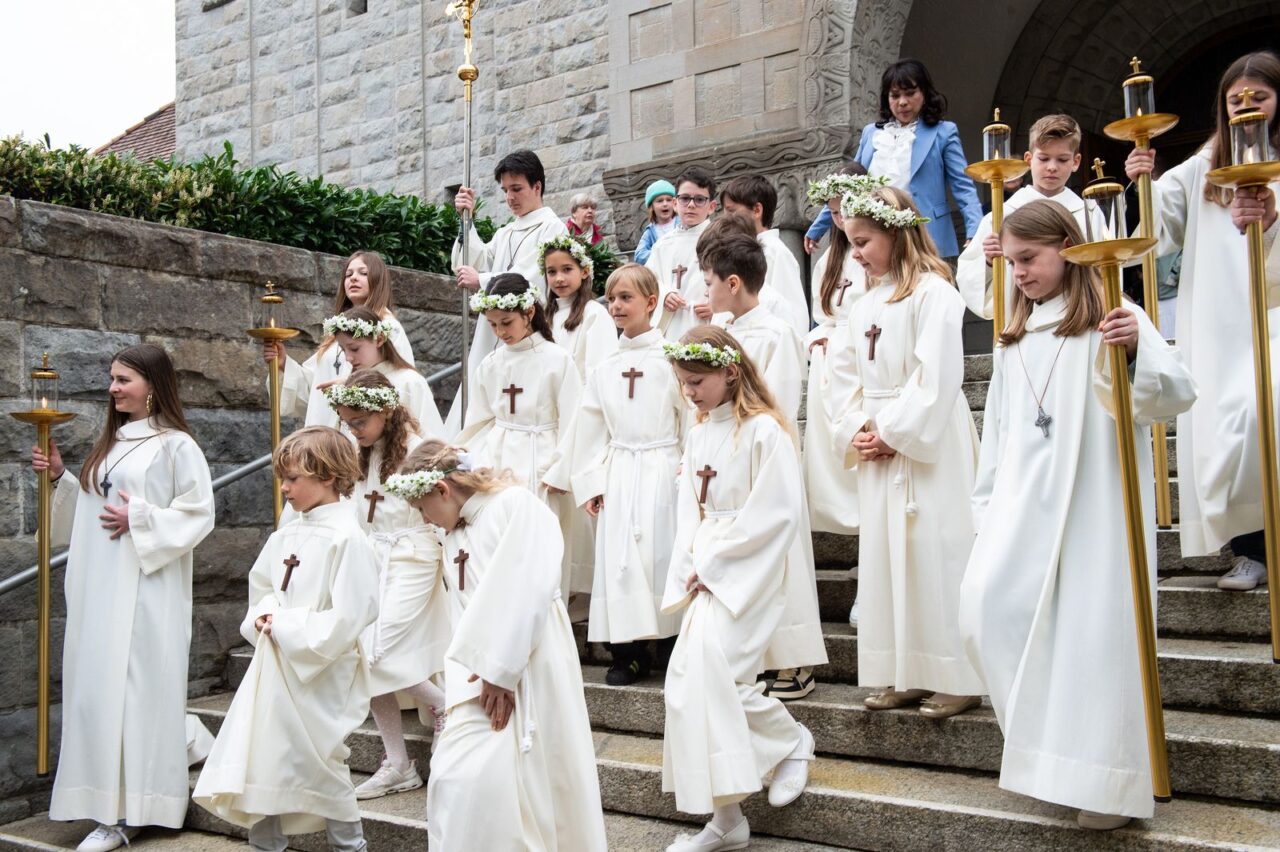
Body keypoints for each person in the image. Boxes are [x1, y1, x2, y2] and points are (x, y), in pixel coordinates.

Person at [960, 201, 1197, 830]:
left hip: (1097, 500)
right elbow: (999, 431)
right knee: (983, 612)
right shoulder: (1013, 337)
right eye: (1011, 263)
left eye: (1029, 259)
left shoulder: (1115, 317)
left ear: (1068, 249)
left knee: (1093, 638)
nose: (1018, 274)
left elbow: (1175, 394)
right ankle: (1050, 758)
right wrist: (986, 507)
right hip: (1023, 504)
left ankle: (1105, 784)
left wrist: (1135, 355)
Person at [33, 344, 215, 852]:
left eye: (123, 379)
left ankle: (131, 811)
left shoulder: (177, 446)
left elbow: (199, 513)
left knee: (135, 694)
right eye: (111, 378)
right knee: (97, 694)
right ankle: (104, 796)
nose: (112, 388)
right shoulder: (110, 445)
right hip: (98, 591)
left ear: (153, 385)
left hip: (145, 592)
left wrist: (141, 518)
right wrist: (60, 478)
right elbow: (92, 511)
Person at [388, 441, 607, 851]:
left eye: (422, 508)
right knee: (456, 779)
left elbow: (527, 586)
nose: (424, 519)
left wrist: (499, 671)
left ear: (441, 489)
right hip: (473, 674)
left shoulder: (515, 506)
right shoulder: (453, 534)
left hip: (527, 659)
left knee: (523, 776)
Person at [1125, 51, 1280, 591]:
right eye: (1236, 99)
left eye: (1259, 97)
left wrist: (1271, 222)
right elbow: (1156, 229)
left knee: (1266, 415)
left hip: (1276, 317)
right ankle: (1250, 551)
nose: (1246, 106)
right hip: (1220, 324)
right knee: (1228, 435)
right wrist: (1143, 181)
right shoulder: (1205, 165)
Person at [829, 186, 985, 718]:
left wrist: (892, 432)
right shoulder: (862, 304)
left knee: (936, 552)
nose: (855, 254)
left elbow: (936, 375)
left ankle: (957, 676)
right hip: (879, 442)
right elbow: (840, 378)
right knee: (888, 558)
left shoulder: (934, 293)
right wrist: (856, 428)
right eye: (851, 243)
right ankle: (906, 671)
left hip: (926, 443)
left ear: (896, 234)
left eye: (864, 242)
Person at [660, 327, 815, 852]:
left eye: (696, 382)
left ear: (730, 372)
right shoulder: (700, 434)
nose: (689, 393)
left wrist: (719, 564)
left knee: (724, 675)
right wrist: (690, 563)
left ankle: (791, 739)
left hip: (751, 568)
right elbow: (690, 510)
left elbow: (777, 512)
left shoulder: (765, 431)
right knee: (687, 682)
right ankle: (726, 818)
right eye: (683, 383)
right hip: (707, 568)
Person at [193, 427, 378, 852]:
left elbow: (353, 613)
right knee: (264, 756)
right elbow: (263, 587)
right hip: (275, 661)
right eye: (283, 478)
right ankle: (265, 844)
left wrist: (285, 625)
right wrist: (264, 615)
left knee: (323, 761)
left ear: (328, 476)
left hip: (319, 668)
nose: (285, 488)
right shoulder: (286, 534)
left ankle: (351, 846)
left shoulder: (348, 538)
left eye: (293, 478)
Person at [548, 264, 686, 685]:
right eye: (611, 299)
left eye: (627, 298)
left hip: (663, 467)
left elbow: (690, 417)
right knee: (621, 563)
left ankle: (673, 645)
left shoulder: (672, 358)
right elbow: (590, 429)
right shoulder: (605, 367)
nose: (617, 306)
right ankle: (627, 653)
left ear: (651, 302)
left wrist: (688, 466)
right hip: (621, 471)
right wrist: (591, 483)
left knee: (663, 556)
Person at [325, 371, 451, 800]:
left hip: (412, 554)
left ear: (385, 411)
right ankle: (398, 763)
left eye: (360, 421)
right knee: (362, 651)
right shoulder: (359, 453)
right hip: (372, 555)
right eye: (347, 423)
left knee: (376, 653)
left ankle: (445, 703)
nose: (354, 431)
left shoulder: (419, 449)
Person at [454, 272, 585, 598]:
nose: (500, 332)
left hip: (542, 459)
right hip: (499, 459)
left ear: (529, 312)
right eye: (493, 325)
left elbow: (574, 419)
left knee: (539, 544)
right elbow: (478, 421)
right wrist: (467, 462)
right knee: (498, 541)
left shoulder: (557, 360)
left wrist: (561, 471)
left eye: (506, 323)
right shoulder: (491, 363)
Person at [802, 59, 982, 259]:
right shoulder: (871, 134)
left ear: (924, 93)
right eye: (895, 95)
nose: (902, 102)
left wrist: (976, 230)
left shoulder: (944, 132)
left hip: (926, 236)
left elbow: (963, 187)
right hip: (877, 233)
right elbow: (848, 186)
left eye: (910, 93)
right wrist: (818, 227)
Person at [449, 149, 569, 431]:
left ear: (537, 186)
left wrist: (482, 280)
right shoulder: (506, 232)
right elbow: (474, 261)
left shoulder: (553, 229)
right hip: (490, 333)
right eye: (505, 191)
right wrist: (466, 220)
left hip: (527, 329)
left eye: (516, 189)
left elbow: (534, 278)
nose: (510, 198)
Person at [958, 114, 1100, 321]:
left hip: (1077, 319)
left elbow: (1106, 272)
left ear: (1075, 161)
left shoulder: (1089, 213)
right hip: (1020, 321)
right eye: (1043, 158)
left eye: (1062, 159)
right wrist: (988, 262)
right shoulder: (1001, 215)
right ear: (1028, 159)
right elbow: (971, 282)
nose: (1052, 167)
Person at [803, 168, 874, 542]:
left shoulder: (875, 255)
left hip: (868, 348)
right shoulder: (828, 260)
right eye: (832, 213)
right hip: (835, 354)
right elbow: (823, 314)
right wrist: (821, 336)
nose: (840, 219)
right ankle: (838, 508)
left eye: (844, 210)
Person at [268, 251, 415, 428]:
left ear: (378, 280)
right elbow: (314, 388)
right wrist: (284, 364)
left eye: (363, 273)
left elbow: (398, 383)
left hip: (358, 430)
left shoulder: (388, 328)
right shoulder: (336, 333)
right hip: (325, 433)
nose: (353, 278)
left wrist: (351, 388)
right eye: (348, 274)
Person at [321, 307, 445, 437]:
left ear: (379, 339)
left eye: (355, 348)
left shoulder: (410, 382)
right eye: (343, 350)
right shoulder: (349, 384)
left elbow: (432, 438)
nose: (348, 358)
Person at [719, 174, 811, 337]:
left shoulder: (775, 252)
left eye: (731, 211)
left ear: (757, 210)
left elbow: (793, 316)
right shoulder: (735, 250)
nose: (725, 219)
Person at [648, 166, 719, 342]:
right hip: (670, 327)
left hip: (707, 325)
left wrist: (718, 308)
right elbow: (647, 281)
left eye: (699, 199)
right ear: (675, 203)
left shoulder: (722, 240)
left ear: (711, 207)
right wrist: (664, 295)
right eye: (685, 198)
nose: (691, 205)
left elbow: (738, 285)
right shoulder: (662, 246)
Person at [541, 234, 618, 378]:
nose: (559, 278)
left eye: (567, 269)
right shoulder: (544, 316)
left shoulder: (594, 314)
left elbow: (601, 370)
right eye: (552, 272)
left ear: (584, 271)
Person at [634, 179, 681, 265]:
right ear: (652, 207)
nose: (665, 204)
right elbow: (639, 256)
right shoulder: (650, 231)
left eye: (669, 200)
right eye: (660, 201)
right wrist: (661, 253)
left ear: (675, 202)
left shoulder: (683, 223)